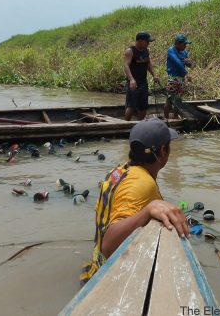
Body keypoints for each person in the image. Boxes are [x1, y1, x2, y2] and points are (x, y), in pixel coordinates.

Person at [80, 118, 189, 284]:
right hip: (108, 278)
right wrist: (148, 210)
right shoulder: (142, 183)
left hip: (95, 267)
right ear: (163, 151)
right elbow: (108, 245)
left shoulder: (119, 171)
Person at [123, 32, 161, 121]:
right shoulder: (130, 51)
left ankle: (141, 124)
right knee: (131, 105)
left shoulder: (146, 51)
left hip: (143, 82)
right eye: (147, 41)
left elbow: (148, 63)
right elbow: (126, 66)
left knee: (143, 106)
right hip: (133, 83)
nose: (148, 43)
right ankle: (125, 124)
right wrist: (131, 79)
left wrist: (154, 75)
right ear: (140, 41)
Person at [164, 34, 192, 120]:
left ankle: (176, 117)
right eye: (184, 44)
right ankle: (166, 118)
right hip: (173, 78)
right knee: (170, 98)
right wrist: (186, 73)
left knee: (178, 99)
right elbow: (177, 63)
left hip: (181, 79)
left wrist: (188, 63)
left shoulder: (184, 52)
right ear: (178, 43)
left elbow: (189, 65)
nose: (185, 46)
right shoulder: (171, 50)